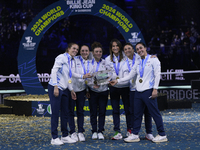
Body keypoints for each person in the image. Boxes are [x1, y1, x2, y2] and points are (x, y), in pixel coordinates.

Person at [110, 42, 168, 143]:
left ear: (145, 48)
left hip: (148, 90)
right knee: (136, 114)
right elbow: (130, 75)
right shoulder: (138, 62)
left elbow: (157, 74)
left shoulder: (153, 59)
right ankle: (135, 134)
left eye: (141, 48)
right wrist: (117, 81)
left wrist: (155, 89)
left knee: (154, 113)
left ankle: (162, 134)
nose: (139, 50)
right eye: (137, 49)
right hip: (138, 92)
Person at [48, 43, 91, 145]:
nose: (75, 51)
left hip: (65, 88)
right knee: (55, 113)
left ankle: (64, 136)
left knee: (65, 113)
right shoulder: (61, 57)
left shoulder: (71, 60)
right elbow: (54, 71)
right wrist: (55, 86)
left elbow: (69, 76)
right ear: (68, 49)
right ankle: (54, 137)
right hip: (56, 87)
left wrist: (72, 89)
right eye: (73, 48)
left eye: (77, 49)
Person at [123, 43, 154, 141]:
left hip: (145, 88)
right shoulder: (123, 61)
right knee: (134, 112)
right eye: (125, 49)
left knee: (147, 112)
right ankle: (134, 132)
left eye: (129, 48)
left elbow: (149, 59)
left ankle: (149, 132)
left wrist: (153, 57)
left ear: (133, 50)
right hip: (133, 90)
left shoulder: (139, 57)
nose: (127, 50)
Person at [105, 39, 131, 140]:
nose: (115, 48)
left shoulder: (126, 56)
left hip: (125, 87)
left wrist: (151, 56)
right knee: (115, 110)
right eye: (113, 46)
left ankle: (130, 130)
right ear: (111, 48)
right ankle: (117, 132)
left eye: (117, 46)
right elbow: (106, 73)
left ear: (120, 47)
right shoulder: (107, 59)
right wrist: (105, 80)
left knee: (128, 110)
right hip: (113, 87)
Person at [68, 45, 91, 142]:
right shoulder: (74, 60)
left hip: (82, 90)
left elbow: (89, 78)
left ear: (89, 52)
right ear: (79, 52)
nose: (84, 52)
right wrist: (82, 76)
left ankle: (80, 132)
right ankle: (72, 132)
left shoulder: (90, 62)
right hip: (72, 89)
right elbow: (71, 73)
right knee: (70, 112)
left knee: (80, 112)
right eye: (82, 50)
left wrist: (87, 90)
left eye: (86, 51)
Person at [87, 42, 109, 140]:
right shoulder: (89, 63)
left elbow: (110, 75)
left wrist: (105, 78)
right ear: (93, 52)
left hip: (103, 91)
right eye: (96, 51)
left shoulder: (105, 62)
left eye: (100, 51)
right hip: (93, 91)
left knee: (102, 112)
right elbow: (86, 78)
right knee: (93, 112)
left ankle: (100, 131)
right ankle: (94, 131)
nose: (98, 53)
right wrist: (92, 85)